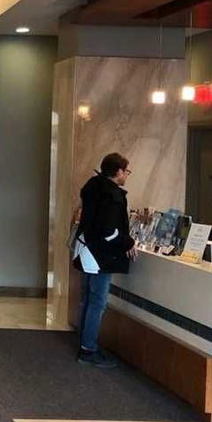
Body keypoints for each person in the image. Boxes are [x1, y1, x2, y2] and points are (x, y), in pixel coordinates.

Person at [73, 153, 137, 368]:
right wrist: (128, 242)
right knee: (97, 302)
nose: (126, 175)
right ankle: (88, 349)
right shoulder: (112, 195)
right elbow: (110, 231)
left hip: (85, 249)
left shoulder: (92, 187)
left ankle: (84, 342)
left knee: (86, 298)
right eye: (126, 171)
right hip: (101, 255)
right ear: (118, 171)